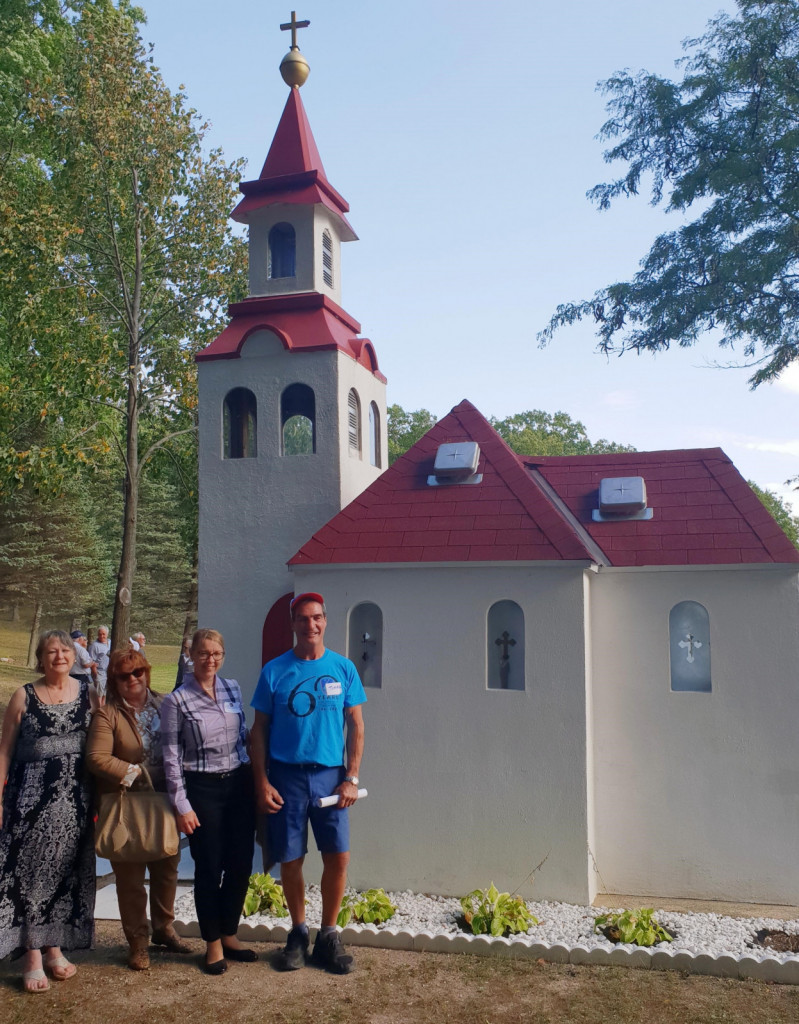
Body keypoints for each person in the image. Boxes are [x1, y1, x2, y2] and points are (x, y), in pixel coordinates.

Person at [251, 592, 366, 975]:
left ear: (325, 621)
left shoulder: (343, 668)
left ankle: (328, 937)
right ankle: (298, 934)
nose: (310, 625)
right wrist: (262, 781)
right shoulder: (274, 671)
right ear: (293, 624)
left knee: (338, 856)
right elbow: (259, 731)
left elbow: (357, 726)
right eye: (303, 619)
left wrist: (351, 777)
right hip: (286, 777)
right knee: (291, 858)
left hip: (331, 778)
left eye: (316, 617)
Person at [0, 630, 97, 992]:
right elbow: (5, 751)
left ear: (75, 656)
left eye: (65, 650)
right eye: (51, 651)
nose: (59, 656)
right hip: (28, 804)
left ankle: (55, 948)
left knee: (65, 875)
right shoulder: (22, 695)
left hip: (77, 804)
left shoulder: (89, 693)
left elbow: (103, 741)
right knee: (28, 878)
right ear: (41, 658)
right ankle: (32, 956)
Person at [86, 648, 192, 970]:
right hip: (126, 805)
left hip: (164, 801)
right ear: (114, 680)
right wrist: (136, 774)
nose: (133, 679)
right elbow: (97, 757)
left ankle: (164, 929)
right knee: (130, 878)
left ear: (146, 672)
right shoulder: (108, 715)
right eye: (124, 675)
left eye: (138, 672)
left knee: (167, 867)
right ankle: (137, 941)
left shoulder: (166, 704)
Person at [160, 629, 256, 975]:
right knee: (209, 866)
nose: (210, 659)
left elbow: (243, 738)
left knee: (241, 863)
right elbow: (171, 756)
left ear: (223, 655)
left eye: (216, 653)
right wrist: (181, 804)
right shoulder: (177, 701)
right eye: (203, 653)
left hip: (239, 785)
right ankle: (212, 943)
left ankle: (230, 933)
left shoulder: (233, 688)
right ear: (191, 655)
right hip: (203, 789)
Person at [87, 625, 111, 702]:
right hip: (99, 672)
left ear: (107, 634)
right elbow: (91, 661)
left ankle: (103, 711)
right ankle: (97, 712)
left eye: (103, 634)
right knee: (99, 695)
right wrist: (95, 673)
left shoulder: (111, 642)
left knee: (105, 694)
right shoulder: (94, 646)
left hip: (109, 672)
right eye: (100, 634)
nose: (101, 636)